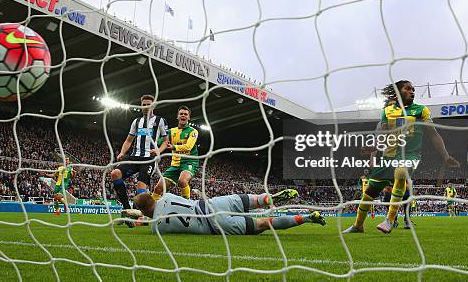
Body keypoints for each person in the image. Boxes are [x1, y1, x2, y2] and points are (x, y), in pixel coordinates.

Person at [344, 80, 460, 234]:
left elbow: (434, 135)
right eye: (408, 89)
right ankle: (358, 225)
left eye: (413, 89)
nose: (412, 91)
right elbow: (384, 137)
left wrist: (446, 157)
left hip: (410, 154)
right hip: (388, 157)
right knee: (370, 192)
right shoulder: (387, 111)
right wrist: (374, 147)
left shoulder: (421, 110)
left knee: (400, 173)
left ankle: (390, 220)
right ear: (399, 92)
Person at [124, 189, 325, 235]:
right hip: (212, 204)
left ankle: (307, 218)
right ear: (153, 197)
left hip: (215, 225)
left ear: (143, 209)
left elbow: (151, 218)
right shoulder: (166, 196)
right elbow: (155, 207)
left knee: (265, 223)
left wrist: (135, 217)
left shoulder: (158, 229)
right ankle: (269, 198)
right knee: (254, 200)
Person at [112, 94, 168, 226]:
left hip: (149, 158)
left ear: (153, 105)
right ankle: (127, 209)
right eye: (144, 104)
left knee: (141, 188)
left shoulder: (160, 121)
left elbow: (166, 141)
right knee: (115, 173)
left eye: (149, 104)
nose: (146, 106)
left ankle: (140, 216)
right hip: (134, 156)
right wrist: (122, 153)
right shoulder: (136, 122)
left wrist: (158, 151)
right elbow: (128, 140)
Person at [152, 106, 198, 200]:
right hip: (175, 165)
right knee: (158, 188)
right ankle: (151, 212)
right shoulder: (171, 131)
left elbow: (188, 147)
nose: (183, 115)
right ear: (177, 116)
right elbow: (160, 141)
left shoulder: (193, 131)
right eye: (181, 114)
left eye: (185, 114)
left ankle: (187, 205)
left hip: (189, 162)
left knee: (182, 181)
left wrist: (173, 147)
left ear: (189, 117)